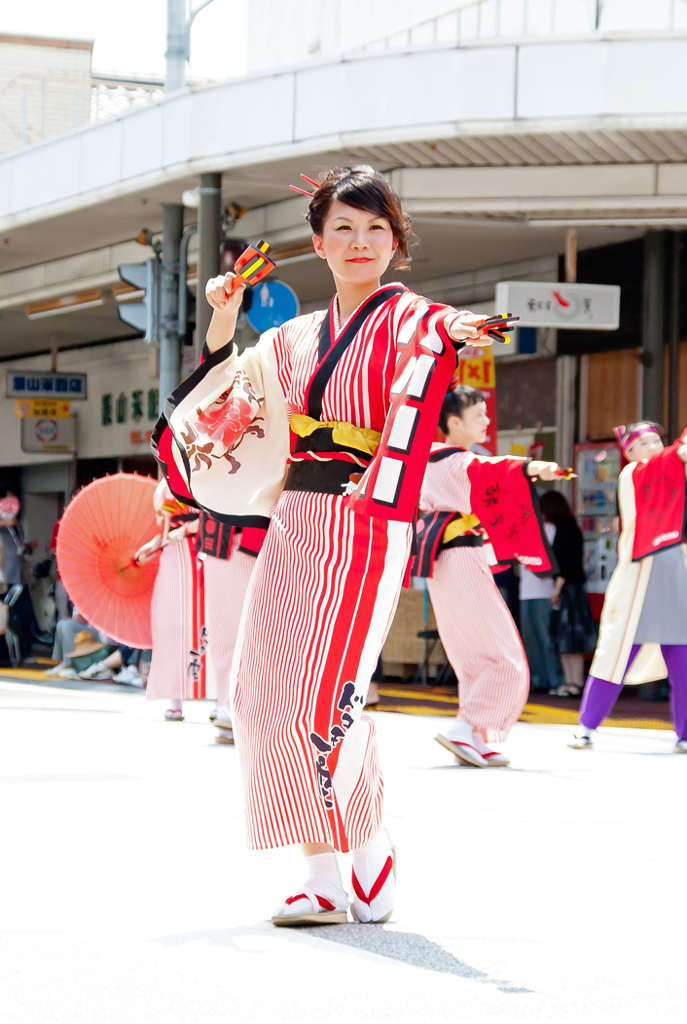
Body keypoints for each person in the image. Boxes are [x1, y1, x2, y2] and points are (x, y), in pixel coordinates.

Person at [153, 164, 486, 926]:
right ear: (318, 242)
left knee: (327, 692)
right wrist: (221, 317)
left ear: (395, 242)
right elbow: (230, 394)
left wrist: (458, 327)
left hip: (365, 518)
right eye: (343, 228)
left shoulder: (408, 316)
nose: (359, 241)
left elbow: (434, 328)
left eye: (375, 228)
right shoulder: (292, 336)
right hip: (295, 518)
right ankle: (317, 870)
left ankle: (365, 840)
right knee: (259, 689)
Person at [417, 384, 562, 768]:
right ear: (453, 422)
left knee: (473, 653)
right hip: (461, 555)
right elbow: (493, 469)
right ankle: (466, 727)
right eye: (478, 414)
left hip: (442, 560)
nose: (486, 420)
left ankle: (477, 737)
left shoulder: (426, 457)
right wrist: (533, 467)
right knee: (505, 654)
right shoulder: (457, 461)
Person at [569, 422, 687, 752]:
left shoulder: (674, 470)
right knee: (614, 656)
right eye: (645, 442)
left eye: (657, 440)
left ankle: (685, 734)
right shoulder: (632, 475)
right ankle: (586, 727)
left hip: (676, 576)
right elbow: (665, 465)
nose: (653, 446)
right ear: (629, 452)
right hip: (640, 578)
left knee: (683, 663)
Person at [135, 480, 206, 720]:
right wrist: (151, 547)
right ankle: (175, 698)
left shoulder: (204, 474)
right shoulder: (164, 486)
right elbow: (163, 530)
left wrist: (184, 531)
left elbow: (214, 519)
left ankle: (219, 699)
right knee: (170, 626)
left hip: (200, 552)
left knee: (205, 622)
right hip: (173, 554)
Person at [196, 512, 266, 744]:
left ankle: (228, 705)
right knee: (246, 634)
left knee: (230, 633)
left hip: (225, 536)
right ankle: (233, 706)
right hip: (244, 537)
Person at [541, 491, 597, 698]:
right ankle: (572, 682)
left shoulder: (565, 530)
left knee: (568, 639)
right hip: (575, 588)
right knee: (569, 640)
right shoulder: (571, 527)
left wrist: (556, 590)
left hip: (569, 589)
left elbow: (565, 565)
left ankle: (573, 682)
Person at [519, 520, 564, 694]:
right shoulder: (521, 527)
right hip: (525, 592)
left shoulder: (550, 528)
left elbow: (551, 555)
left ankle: (555, 680)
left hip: (545, 591)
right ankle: (536, 679)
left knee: (547, 638)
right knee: (530, 640)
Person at [0, 492, 37, 661]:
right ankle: (12, 653)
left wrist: (28, 546)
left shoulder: (17, 524)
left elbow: (20, 548)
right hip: (6, 578)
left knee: (26, 613)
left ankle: (25, 649)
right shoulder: (4, 524)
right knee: (7, 617)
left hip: (20, 576)